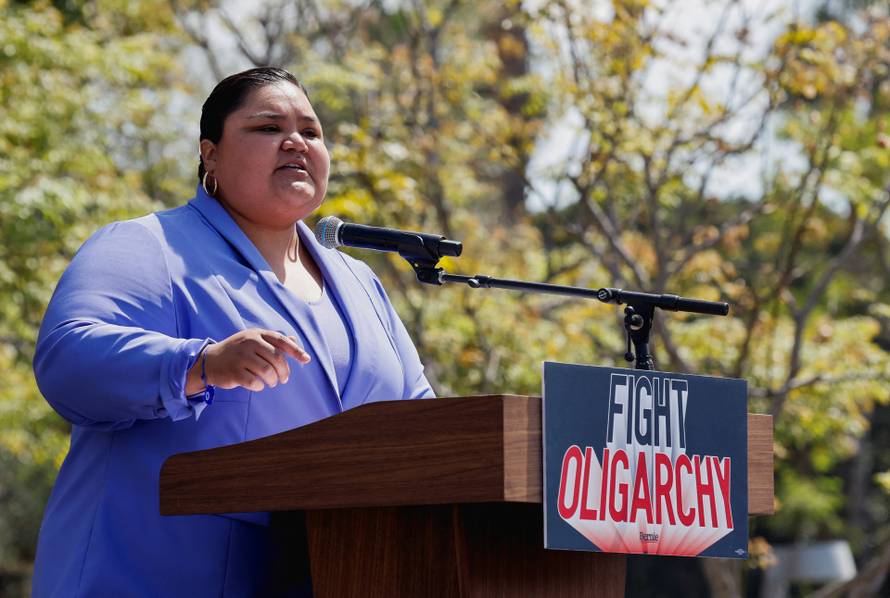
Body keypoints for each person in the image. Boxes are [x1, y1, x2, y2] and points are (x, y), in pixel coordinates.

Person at [31, 67, 434, 597]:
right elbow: (68, 359)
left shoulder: (360, 284)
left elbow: (423, 423)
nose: (295, 141)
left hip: (332, 573)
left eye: (310, 132)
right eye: (268, 128)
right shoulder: (149, 246)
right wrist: (199, 365)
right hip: (152, 578)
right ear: (211, 155)